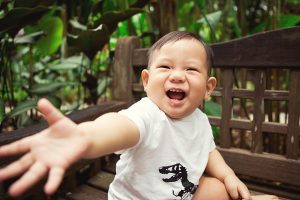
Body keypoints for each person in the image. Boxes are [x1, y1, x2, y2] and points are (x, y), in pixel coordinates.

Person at [0, 31, 278, 200]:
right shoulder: (147, 114)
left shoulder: (199, 121)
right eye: (165, 67)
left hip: (177, 193)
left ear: (208, 89)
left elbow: (207, 151)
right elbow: (119, 126)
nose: (178, 75)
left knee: (218, 189)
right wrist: (85, 136)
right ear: (146, 81)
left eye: (191, 70)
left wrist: (228, 175)